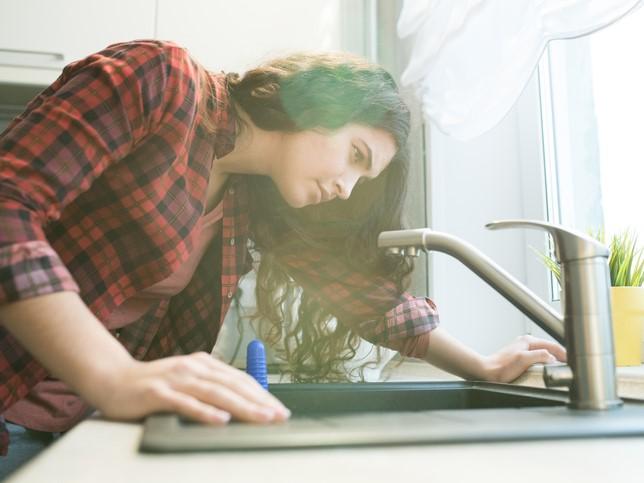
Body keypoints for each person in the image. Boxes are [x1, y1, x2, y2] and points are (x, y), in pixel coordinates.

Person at [0, 39, 566, 466]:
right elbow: (8, 203)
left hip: (75, 429)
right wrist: (115, 376)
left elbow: (365, 299)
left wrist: (482, 366)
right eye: (356, 155)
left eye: (361, 180)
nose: (347, 187)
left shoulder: (253, 195)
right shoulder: (162, 79)